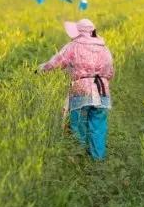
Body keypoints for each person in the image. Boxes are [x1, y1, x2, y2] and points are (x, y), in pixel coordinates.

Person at [37, 19, 114, 161]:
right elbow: (110, 72)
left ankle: (80, 159)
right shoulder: (104, 48)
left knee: (78, 125)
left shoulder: (73, 46)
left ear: (78, 32)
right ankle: (98, 160)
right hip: (102, 89)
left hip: (81, 89)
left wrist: (42, 69)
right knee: (98, 126)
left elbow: (56, 62)